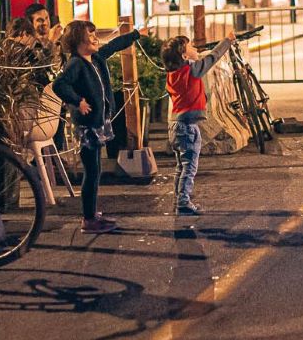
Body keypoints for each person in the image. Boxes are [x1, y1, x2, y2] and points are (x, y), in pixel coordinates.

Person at [51, 20, 144, 234]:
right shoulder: (75, 64)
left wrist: (136, 35)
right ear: (77, 41)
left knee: (96, 169)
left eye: (94, 34)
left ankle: (91, 212)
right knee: (92, 171)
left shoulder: (95, 59)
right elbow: (59, 84)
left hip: (98, 122)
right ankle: (88, 218)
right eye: (89, 34)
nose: (94, 38)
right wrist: (77, 101)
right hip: (88, 125)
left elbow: (113, 45)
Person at [161, 33, 234, 215]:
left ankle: (178, 200)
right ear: (184, 56)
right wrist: (227, 41)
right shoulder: (191, 71)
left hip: (174, 125)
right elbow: (213, 57)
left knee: (181, 166)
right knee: (190, 167)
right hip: (187, 127)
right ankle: (183, 203)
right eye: (191, 47)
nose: (195, 49)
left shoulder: (173, 74)